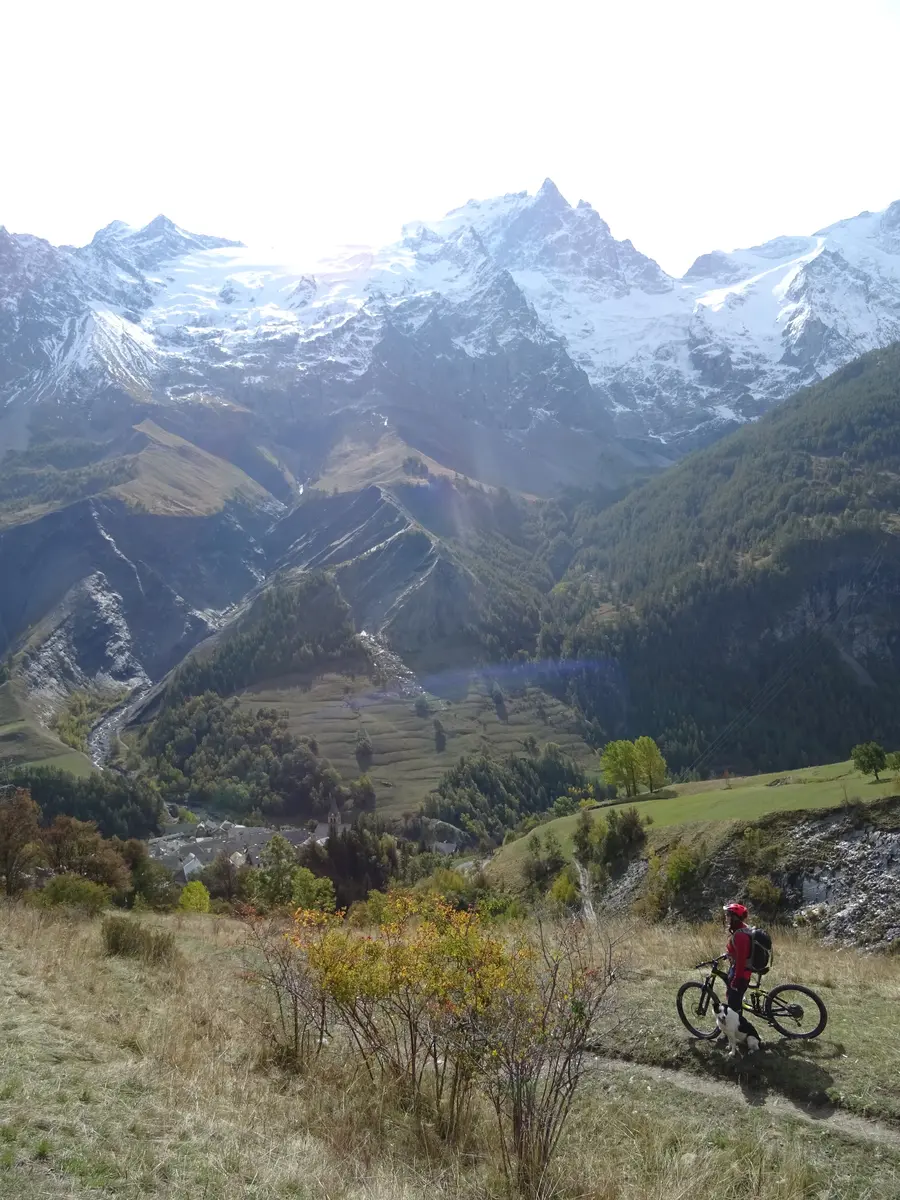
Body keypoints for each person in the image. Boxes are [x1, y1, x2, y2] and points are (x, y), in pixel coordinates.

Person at [722, 901, 752, 1011]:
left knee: (734, 1009)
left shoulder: (740, 935)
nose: (726, 917)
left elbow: (741, 960)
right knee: (733, 999)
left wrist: (737, 979)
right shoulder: (743, 928)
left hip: (741, 973)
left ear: (734, 917)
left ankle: (741, 1026)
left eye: (728, 915)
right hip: (740, 970)